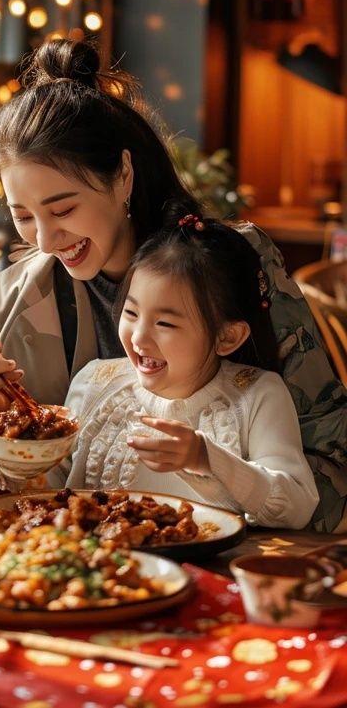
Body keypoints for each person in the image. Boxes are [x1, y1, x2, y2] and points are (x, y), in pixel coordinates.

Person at [0, 37, 347, 533]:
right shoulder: (16, 297)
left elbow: (331, 462)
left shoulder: (228, 265)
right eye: (22, 216)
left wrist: (228, 482)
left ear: (123, 175)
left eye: (62, 209)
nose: (45, 238)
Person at [49, 204, 319, 528]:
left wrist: (206, 457)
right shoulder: (94, 383)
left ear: (228, 336)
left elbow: (297, 505)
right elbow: (46, 492)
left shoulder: (257, 394)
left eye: (165, 323)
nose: (139, 337)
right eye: (131, 313)